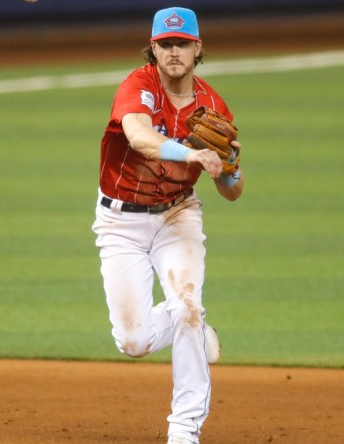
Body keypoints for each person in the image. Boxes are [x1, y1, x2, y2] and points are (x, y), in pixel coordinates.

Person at [91, 6, 244, 444]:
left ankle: (184, 430)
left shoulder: (213, 106)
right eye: (165, 44)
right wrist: (190, 153)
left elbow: (232, 190)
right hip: (121, 223)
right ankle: (190, 323)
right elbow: (139, 137)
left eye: (182, 44)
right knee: (133, 342)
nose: (173, 52)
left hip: (178, 216)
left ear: (198, 49)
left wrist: (228, 168)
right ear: (153, 48)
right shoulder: (138, 87)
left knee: (189, 306)